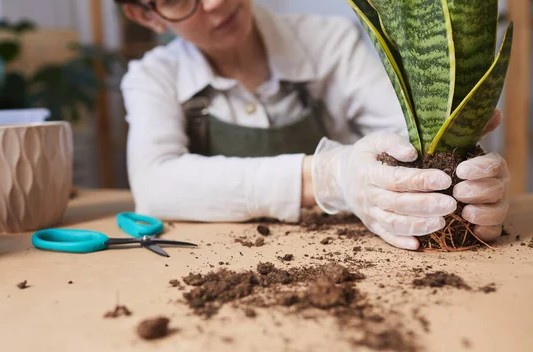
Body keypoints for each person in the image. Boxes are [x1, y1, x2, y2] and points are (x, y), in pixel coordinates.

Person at [116, 0, 509, 250]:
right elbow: (154, 184)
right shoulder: (153, 78)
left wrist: (465, 182)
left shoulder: (330, 41)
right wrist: (327, 175)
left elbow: (412, 139)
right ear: (145, 15)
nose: (216, 3)